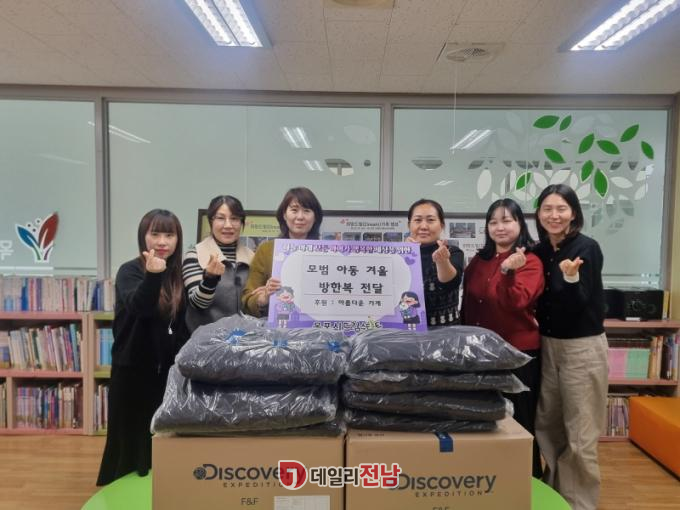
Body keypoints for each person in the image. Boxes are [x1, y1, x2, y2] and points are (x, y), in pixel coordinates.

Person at [97, 209, 188, 486]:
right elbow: (140, 308)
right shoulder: (130, 270)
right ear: (143, 237)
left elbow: (180, 323)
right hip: (132, 369)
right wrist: (152, 275)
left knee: (158, 439)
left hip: (165, 373)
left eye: (169, 235)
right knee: (127, 441)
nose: (162, 241)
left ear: (177, 239)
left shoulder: (177, 275)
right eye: (155, 234)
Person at [533, 184, 608, 510]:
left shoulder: (586, 248)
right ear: (538, 214)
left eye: (561, 208)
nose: (554, 215)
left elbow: (580, 302)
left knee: (580, 433)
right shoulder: (539, 251)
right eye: (547, 209)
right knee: (548, 426)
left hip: (582, 348)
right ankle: (556, 495)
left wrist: (572, 278)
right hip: (548, 346)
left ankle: (579, 504)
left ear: (573, 213)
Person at [461, 198, 544, 477]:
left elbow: (516, 302)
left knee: (519, 422)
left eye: (507, 220)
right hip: (480, 353)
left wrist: (508, 271)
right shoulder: (479, 260)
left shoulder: (530, 261)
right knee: (484, 419)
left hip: (516, 354)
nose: (500, 227)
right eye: (493, 222)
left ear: (520, 224)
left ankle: (527, 480)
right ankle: (489, 478)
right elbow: (468, 305)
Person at [242, 187, 323, 316]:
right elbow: (247, 300)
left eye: (307, 211)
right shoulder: (266, 250)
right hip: (278, 325)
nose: (300, 217)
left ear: (315, 217)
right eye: (294, 210)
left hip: (319, 324)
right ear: (284, 215)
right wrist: (264, 297)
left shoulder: (327, 252)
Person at [182, 195, 254, 332]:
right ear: (211, 221)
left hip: (246, 339)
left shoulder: (252, 257)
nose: (228, 225)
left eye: (234, 218)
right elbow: (198, 304)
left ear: (242, 223)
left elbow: (254, 305)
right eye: (220, 218)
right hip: (206, 340)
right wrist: (210, 279)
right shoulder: (195, 254)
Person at [406, 199, 464, 327]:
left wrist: (442, 261)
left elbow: (450, 283)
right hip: (408, 331)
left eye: (430, 220)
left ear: (442, 225)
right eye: (417, 220)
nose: (424, 226)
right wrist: (403, 255)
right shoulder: (397, 255)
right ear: (409, 225)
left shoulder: (453, 252)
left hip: (446, 332)